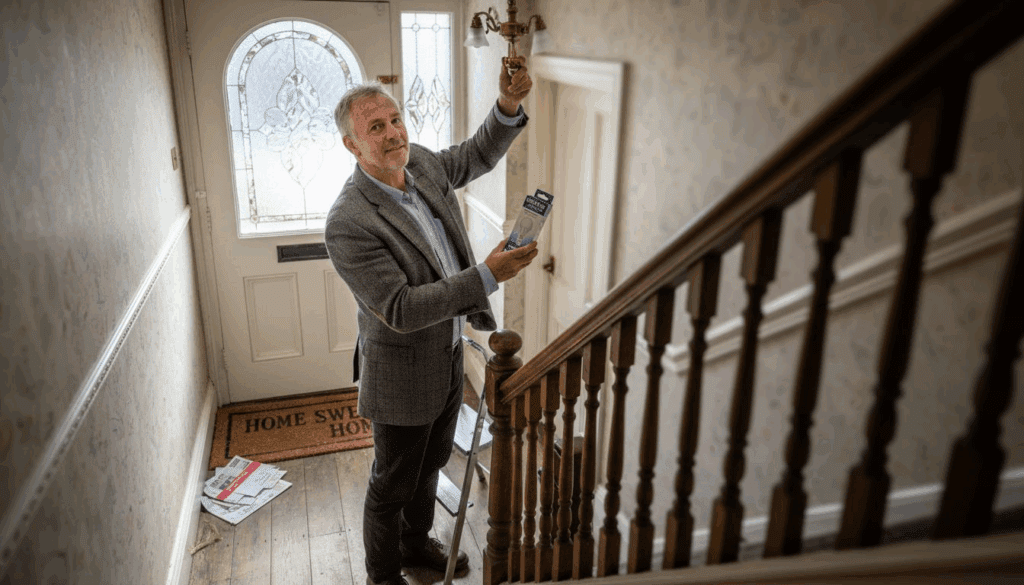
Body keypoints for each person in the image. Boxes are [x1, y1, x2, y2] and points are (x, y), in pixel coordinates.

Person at [324, 57, 538, 585]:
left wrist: (508, 104)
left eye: (395, 119)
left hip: (447, 353)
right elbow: (401, 308)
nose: (393, 134)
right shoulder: (349, 222)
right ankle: (382, 577)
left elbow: (474, 155)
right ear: (352, 145)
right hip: (399, 370)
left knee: (432, 463)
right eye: (376, 128)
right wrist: (487, 275)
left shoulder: (419, 163)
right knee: (392, 484)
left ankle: (416, 545)